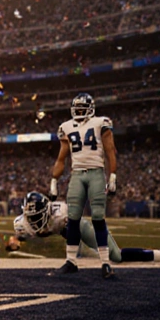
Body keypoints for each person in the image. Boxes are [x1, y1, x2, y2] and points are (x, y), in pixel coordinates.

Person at [8, 192, 160, 273]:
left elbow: (73, 237)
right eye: (30, 218)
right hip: (66, 232)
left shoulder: (62, 213)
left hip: (80, 229)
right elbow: (18, 237)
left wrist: (71, 258)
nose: (33, 222)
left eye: (37, 217)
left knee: (115, 255)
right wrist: (14, 242)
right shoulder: (22, 223)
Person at [49, 93, 119, 278]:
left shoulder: (100, 122)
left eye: (82, 108)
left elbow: (110, 150)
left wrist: (112, 176)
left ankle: (105, 263)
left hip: (96, 172)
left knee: (97, 217)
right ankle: (71, 261)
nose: (79, 111)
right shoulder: (66, 127)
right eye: (77, 108)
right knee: (72, 219)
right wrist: (54, 181)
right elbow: (61, 157)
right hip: (77, 174)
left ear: (90, 108)